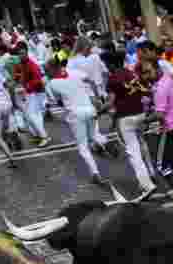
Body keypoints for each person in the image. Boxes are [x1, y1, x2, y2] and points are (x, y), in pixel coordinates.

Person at [46, 57, 106, 185]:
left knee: (82, 147)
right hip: (90, 109)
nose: (46, 73)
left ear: (53, 68)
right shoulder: (74, 72)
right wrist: (96, 97)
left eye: (47, 70)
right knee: (92, 137)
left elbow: (57, 102)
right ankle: (102, 144)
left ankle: (95, 172)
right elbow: (90, 80)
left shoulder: (52, 83)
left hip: (75, 114)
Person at [106, 49, 157, 199]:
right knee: (142, 144)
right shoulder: (132, 74)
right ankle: (151, 172)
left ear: (111, 64)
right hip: (140, 114)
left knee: (133, 153)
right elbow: (145, 91)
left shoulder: (112, 79)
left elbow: (110, 102)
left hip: (125, 118)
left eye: (107, 64)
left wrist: (99, 111)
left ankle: (146, 185)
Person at [145, 57, 173, 207]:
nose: (146, 76)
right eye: (145, 73)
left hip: (170, 128)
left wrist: (143, 121)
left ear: (157, 69)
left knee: (162, 165)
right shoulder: (167, 78)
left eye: (148, 72)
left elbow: (159, 115)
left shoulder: (160, 89)